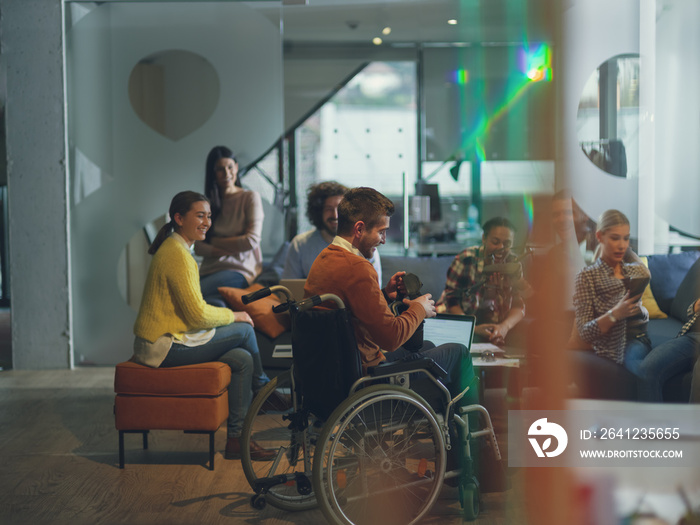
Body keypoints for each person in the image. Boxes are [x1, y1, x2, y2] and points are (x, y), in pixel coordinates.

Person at [132, 191, 276, 461]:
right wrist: (236, 316)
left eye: (209, 216)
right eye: (200, 215)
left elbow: (193, 312)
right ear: (179, 218)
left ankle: (237, 440)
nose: (207, 222)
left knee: (243, 359)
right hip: (161, 346)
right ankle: (265, 390)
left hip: (171, 338)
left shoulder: (178, 249)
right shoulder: (176, 253)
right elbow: (197, 315)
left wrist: (230, 315)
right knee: (245, 329)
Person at [304, 187, 472, 400]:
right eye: (381, 231)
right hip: (367, 377)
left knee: (427, 346)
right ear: (359, 229)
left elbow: (347, 314)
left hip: (335, 369)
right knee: (459, 353)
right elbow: (391, 339)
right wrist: (419, 309)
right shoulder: (358, 268)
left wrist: (383, 295)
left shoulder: (325, 258)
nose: (383, 240)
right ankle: (463, 430)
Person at [572, 209, 651, 376]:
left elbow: (646, 273)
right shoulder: (587, 277)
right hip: (606, 340)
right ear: (599, 236)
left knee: (639, 372)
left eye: (626, 238)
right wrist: (615, 314)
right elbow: (585, 333)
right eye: (615, 238)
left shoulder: (631, 271)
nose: (622, 245)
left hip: (634, 339)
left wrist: (619, 248)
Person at [442, 217, 530, 345]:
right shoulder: (466, 258)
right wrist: (473, 329)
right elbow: (450, 300)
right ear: (484, 238)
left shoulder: (513, 264)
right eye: (495, 242)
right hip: (464, 321)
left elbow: (519, 306)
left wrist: (504, 327)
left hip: (498, 326)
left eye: (507, 244)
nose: (501, 248)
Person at [195, 146, 263, 307]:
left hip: (239, 270)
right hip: (207, 270)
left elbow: (251, 241)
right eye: (220, 169)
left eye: (230, 167)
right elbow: (197, 246)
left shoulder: (250, 197)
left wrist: (215, 241)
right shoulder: (207, 203)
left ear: (236, 168)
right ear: (213, 173)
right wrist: (229, 247)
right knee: (214, 304)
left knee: (192, 295)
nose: (226, 173)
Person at [282, 181, 382, 284]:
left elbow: (374, 291)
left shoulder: (366, 246)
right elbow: (290, 291)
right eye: (328, 209)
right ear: (318, 212)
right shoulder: (300, 244)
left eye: (340, 209)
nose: (335, 215)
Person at [638, 297, 700, 402]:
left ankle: (693, 418)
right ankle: (653, 418)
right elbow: (690, 313)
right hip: (693, 336)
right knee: (647, 369)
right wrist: (696, 306)